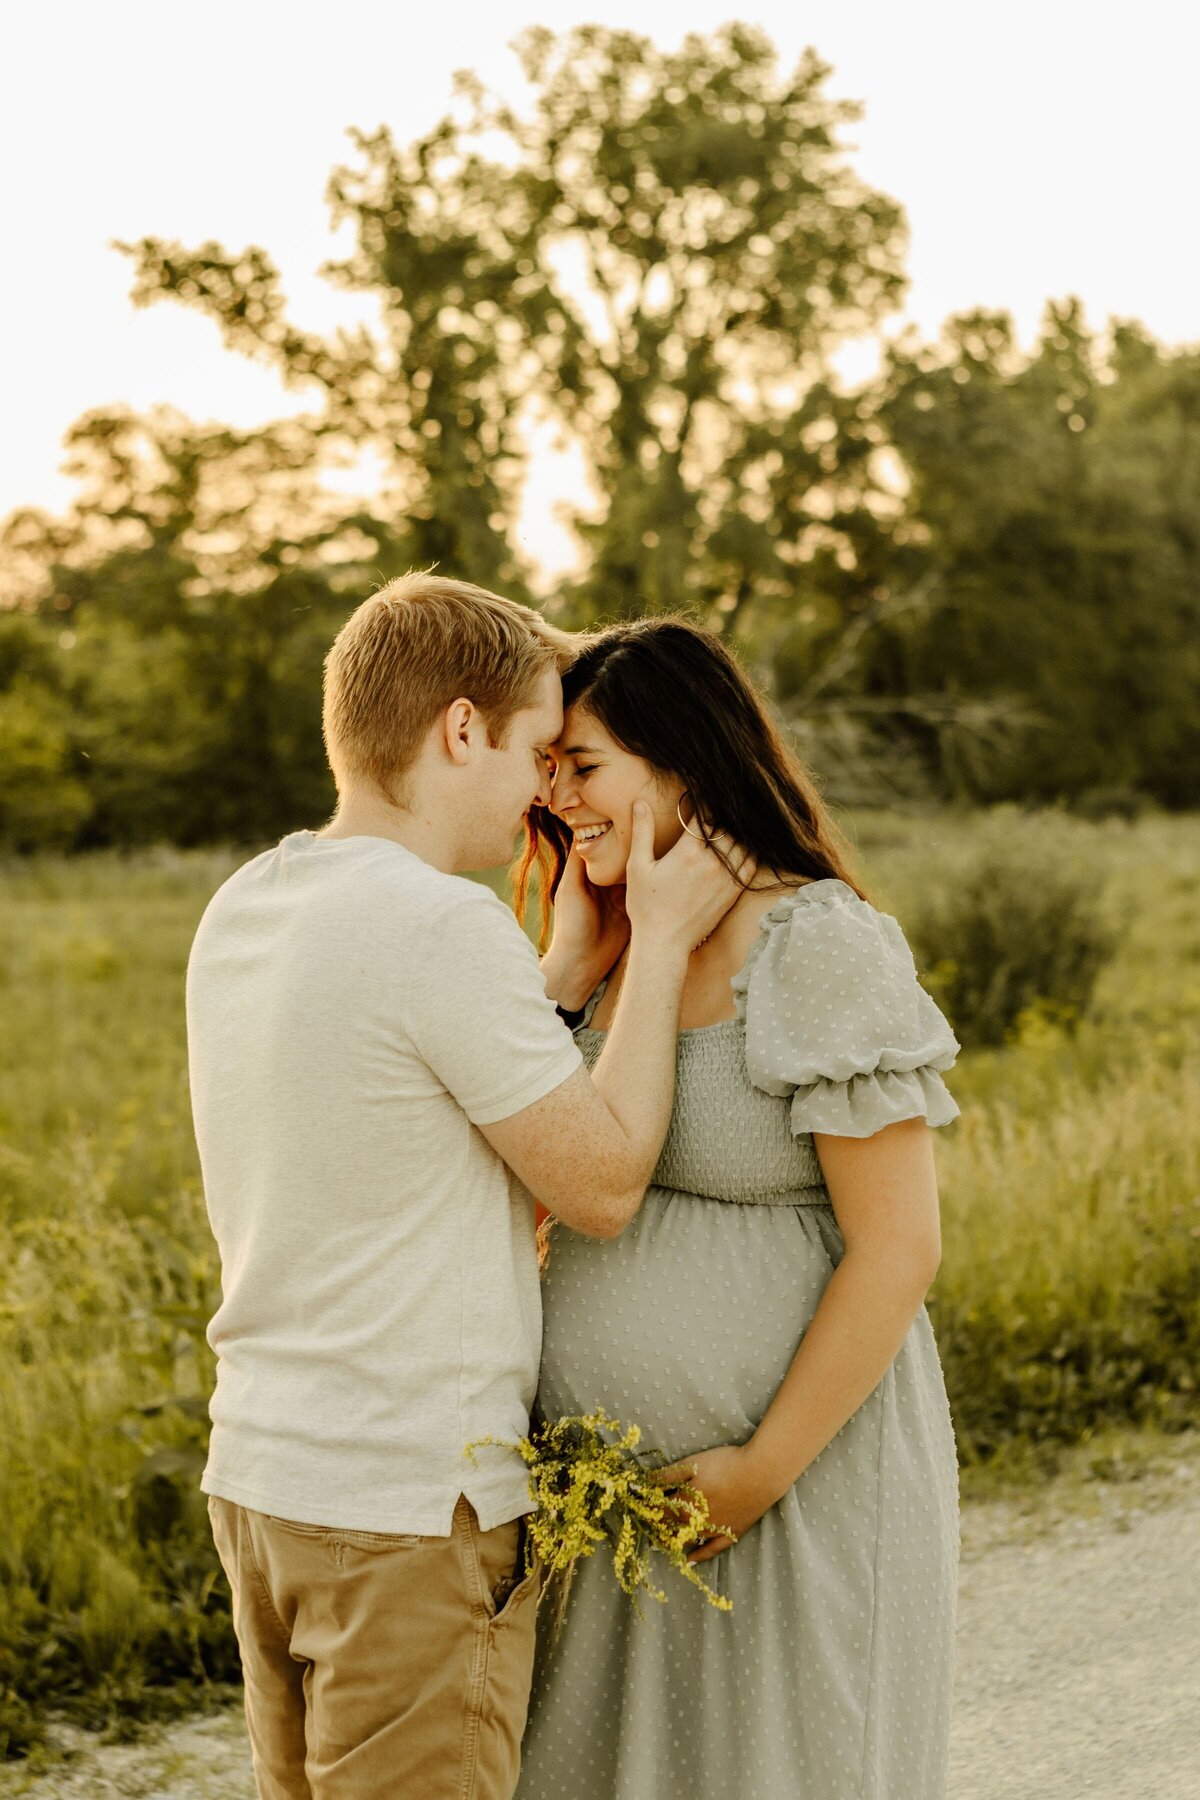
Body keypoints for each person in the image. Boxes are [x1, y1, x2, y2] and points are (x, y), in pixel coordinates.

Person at [185, 574, 745, 1800]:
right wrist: (654, 947)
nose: (548, 791)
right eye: (539, 748)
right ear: (458, 730)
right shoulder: (440, 924)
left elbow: (418, 1121)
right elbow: (598, 1186)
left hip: (266, 1486)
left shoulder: (249, 905)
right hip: (403, 1508)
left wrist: (558, 974)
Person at [513, 616, 962, 1800]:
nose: (556, 797)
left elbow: (899, 1245)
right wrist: (570, 967)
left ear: (683, 762)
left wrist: (760, 1468)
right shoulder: (610, 947)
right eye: (547, 768)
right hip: (600, 1516)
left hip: (795, 1490)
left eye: (585, 765)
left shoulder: (813, 943)